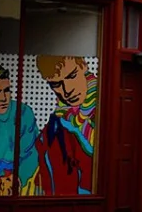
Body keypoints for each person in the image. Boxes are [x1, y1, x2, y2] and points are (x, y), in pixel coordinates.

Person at [35, 56, 97, 195]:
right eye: (56, 84)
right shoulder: (53, 128)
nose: (67, 90)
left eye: (71, 76)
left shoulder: (107, 106)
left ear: (84, 66)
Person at [0, 63, 38, 195]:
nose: (3, 98)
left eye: (7, 90)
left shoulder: (23, 113)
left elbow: (31, 154)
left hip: (18, 184)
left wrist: (17, 180)